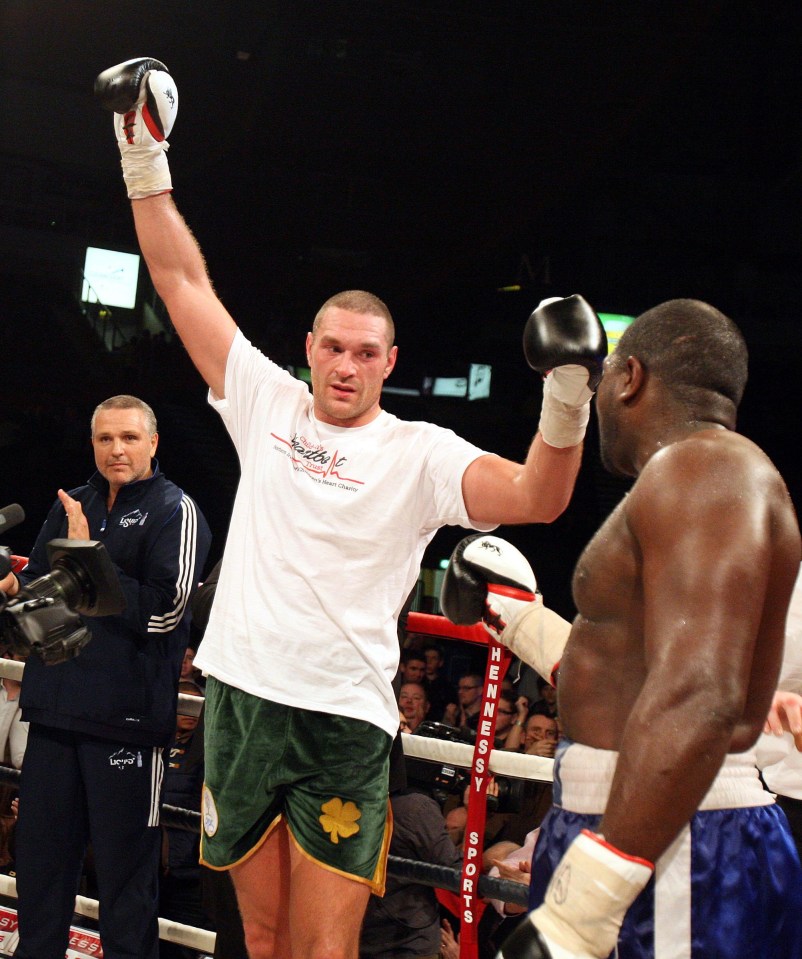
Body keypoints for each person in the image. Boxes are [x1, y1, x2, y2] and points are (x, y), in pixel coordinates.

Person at [94, 57, 606, 959]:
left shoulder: (421, 453)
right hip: (244, 698)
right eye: (331, 346)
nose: (344, 364)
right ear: (309, 348)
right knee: (259, 935)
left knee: (325, 950)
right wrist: (142, 153)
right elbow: (180, 281)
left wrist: (567, 389)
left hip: (345, 720)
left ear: (389, 360)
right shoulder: (264, 398)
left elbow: (541, 494)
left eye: (364, 352)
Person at [441, 299, 802, 958]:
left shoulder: (705, 468)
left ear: (630, 377)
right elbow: (629, 671)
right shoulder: (691, 485)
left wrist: (584, 910)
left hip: (672, 837)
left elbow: (701, 695)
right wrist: (513, 614)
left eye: (604, 378)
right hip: (645, 826)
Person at [0, 394, 211, 959]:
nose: (116, 450)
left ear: (153, 443)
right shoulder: (77, 499)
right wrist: (14, 589)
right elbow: (42, 598)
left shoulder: (176, 510)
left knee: (125, 885)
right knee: (40, 877)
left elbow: (166, 614)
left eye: (129, 438)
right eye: (105, 439)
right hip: (53, 714)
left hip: (127, 724)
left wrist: (91, 557)